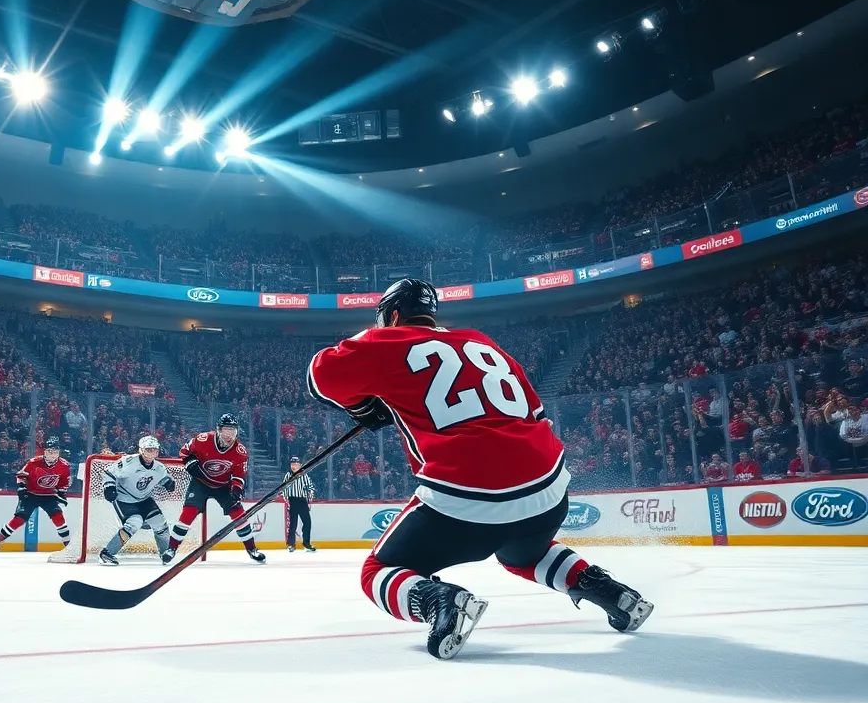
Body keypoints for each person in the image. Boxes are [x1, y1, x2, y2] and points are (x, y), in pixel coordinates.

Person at [306, 279, 652, 660]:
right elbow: (534, 413)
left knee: (378, 570)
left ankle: (441, 601)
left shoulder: (385, 339)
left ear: (391, 315)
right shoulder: (481, 341)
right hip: (549, 486)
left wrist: (362, 405)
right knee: (523, 554)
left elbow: (319, 375)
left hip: (467, 496)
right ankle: (608, 591)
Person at [171, 414, 265, 563]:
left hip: (223, 486)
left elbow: (239, 476)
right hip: (200, 482)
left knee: (239, 514)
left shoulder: (240, 451)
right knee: (188, 514)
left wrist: (236, 490)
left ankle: (252, 549)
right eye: (226, 431)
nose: (229, 435)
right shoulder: (203, 439)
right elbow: (184, 451)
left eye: (232, 431)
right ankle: (172, 548)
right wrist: (189, 461)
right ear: (218, 430)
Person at [99, 435, 177, 566]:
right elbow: (109, 473)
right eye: (148, 449)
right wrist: (109, 487)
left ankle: (165, 554)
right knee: (135, 522)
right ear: (140, 450)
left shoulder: (159, 467)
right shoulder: (128, 462)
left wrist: (168, 483)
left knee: (160, 523)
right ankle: (106, 554)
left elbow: (164, 478)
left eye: (154, 450)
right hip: (124, 499)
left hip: (145, 499)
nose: (151, 453)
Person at [0, 436, 72, 555]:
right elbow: (21, 475)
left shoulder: (64, 465)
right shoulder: (34, 462)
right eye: (50, 451)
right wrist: (21, 487)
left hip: (49, 495)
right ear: (45, 452)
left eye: (55, 452)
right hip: (31, 494)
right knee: (19, 519)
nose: (52, 455)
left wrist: (62, 493)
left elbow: (63, 482)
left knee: (59, 518)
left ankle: (69, 548)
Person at [283, 456, 316, 552]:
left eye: (295, 464)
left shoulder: (304, 476)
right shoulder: (288, 476)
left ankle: (306, 543)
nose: (293, 466)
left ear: (299, 465)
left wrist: (310, 500)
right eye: (292, 464)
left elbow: (310, 488)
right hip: (292, 501)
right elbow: (284, 489)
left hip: (302, 501)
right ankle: (291, 544)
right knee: (293, 524)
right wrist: (287, 501)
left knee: (307, 522)